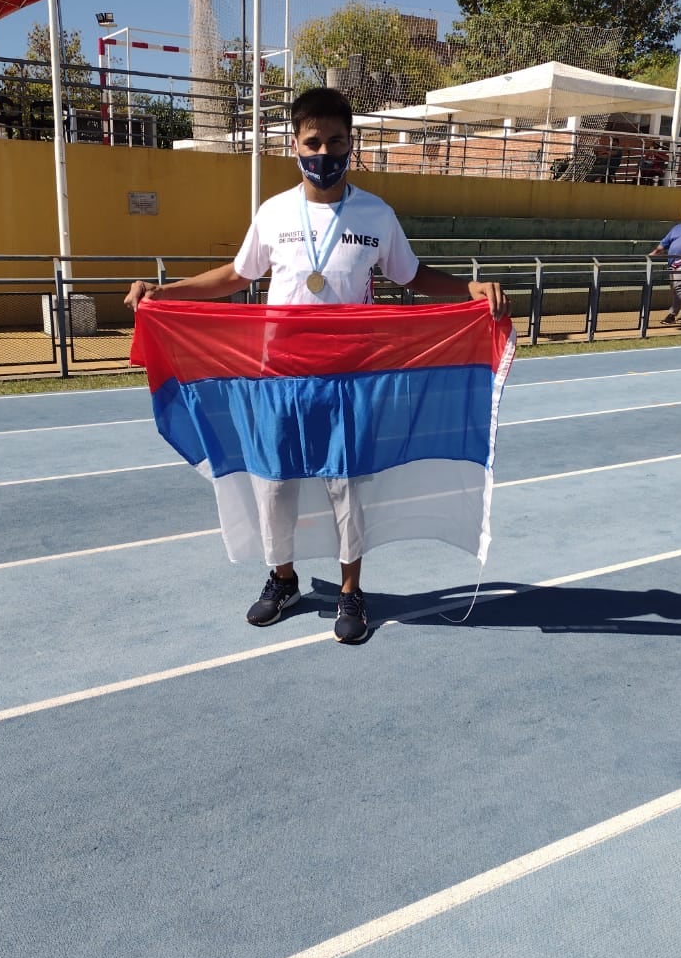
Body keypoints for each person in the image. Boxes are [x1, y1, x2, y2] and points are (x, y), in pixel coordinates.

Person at [125, 86, 508, 644]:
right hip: (278, 375)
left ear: (350, 144)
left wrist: (469, 289)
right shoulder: (274, 212)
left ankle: (352, 591)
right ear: (294, 145)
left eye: (336, 141)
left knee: (346, 487)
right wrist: (166, 292)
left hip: (353, 377)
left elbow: (412, 275)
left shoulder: (375, 213)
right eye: (313, 141)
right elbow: (237, 276)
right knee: (274, 485)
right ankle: (284, 579)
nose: (324, 152)